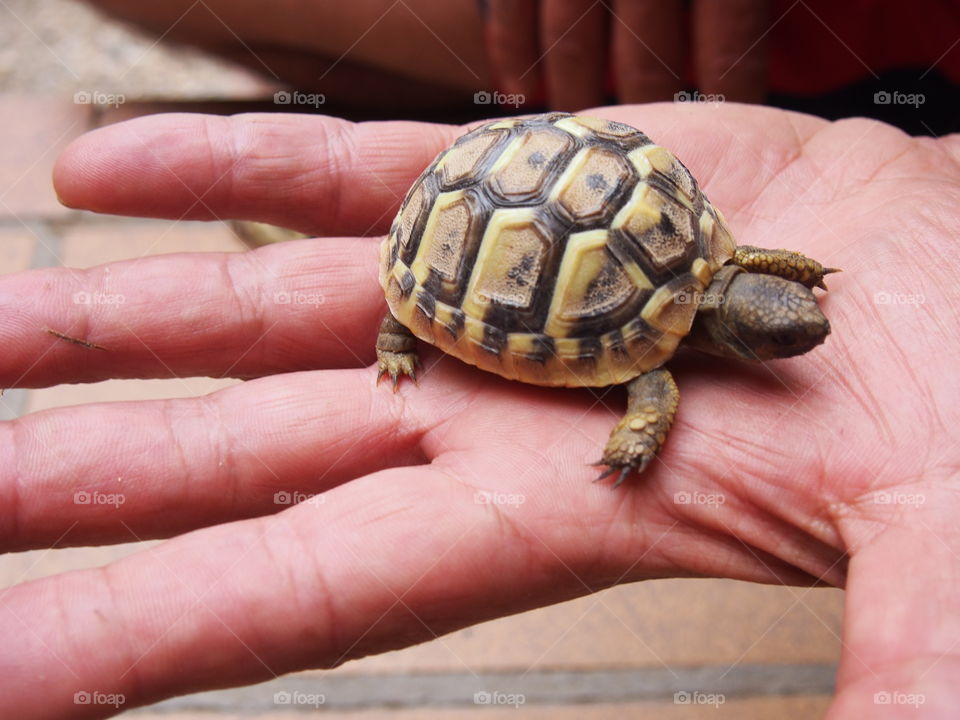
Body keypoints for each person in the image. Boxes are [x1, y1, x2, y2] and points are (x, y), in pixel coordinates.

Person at [0, 101, 955, 717]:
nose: (801, 340)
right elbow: (652, 384)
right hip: (480, 220)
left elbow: (747, 275)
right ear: (740, 331)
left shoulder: (724, 260)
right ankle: (398, 331)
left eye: (788, 333)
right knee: (635, 388)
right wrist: (637, 438)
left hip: (528, 162)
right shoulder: (658, 361)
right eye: (787, 337)